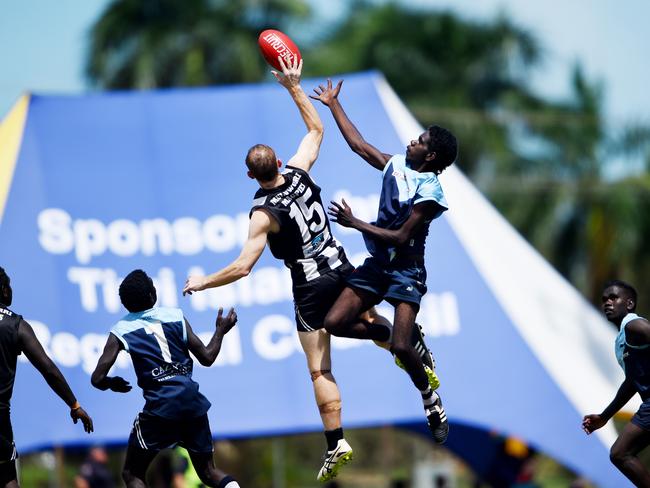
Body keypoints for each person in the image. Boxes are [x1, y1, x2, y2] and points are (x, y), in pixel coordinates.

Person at [183, 56, 436, 482]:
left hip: (310, 284)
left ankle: (336, 440)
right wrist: (293, 87)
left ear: (250, 174)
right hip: (341, 263)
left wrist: (202, 282)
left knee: (320, 368)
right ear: (279, 161)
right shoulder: (299, 172)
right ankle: (407, 344)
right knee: (370, 316)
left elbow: (244, 267)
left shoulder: (261, 213)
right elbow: (317, 130)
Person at [310, 79, 458, 443]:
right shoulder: (395, 164)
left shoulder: (431, 190)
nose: (413, 141)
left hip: (406, 271)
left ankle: (431, 400)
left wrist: (355, 222)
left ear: (431, 157)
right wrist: (332, 105)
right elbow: (359, 145)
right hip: (378, 267)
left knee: (403, 350)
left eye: (421, 141)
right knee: (335, 322)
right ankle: (385, 331)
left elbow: (401, 237)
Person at [91, 270, 239, 488]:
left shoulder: (121, 330)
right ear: (153, 294)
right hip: (192, 402)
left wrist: (111, 383)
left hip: (160, 407)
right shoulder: (175, 316)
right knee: (208, 473)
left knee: (133, 474)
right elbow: (207, 357)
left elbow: (97, 378)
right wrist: (220, 331)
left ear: (126, 305)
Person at [0, 266, 93, 488]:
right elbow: (48, 369)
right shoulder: (16, 325)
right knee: (6, 478)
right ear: (3, 290)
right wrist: (74, 404)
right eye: (9, 285)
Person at [583, 280, 650, 486]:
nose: (607, 303)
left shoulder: (633, 324)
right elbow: (631, 382)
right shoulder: (623, 338)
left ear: (629, 304)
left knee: (621, 453)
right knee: (620, 453)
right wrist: (604, 417)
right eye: (604, 300)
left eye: (614, 298)